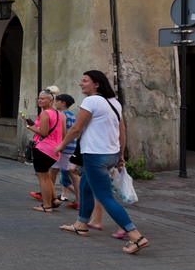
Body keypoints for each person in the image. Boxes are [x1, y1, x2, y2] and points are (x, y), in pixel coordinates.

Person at [55, 70, 150, 254]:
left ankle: (135, 236)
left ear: (96, 84)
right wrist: (121, 154)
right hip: (111, 154)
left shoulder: (91, 101)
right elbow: (121, 130)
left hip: (95, 155)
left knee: (105, 196)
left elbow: (76, 129)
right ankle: (81, 224)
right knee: (85, 187)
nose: (81, 84)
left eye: (85, 81)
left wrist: (61, 146)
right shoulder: (114, 103)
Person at [25, 88, 65, 213]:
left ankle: (47, 205)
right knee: (46, 176)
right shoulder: (59, 114)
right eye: (39, 98)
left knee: (42, 177)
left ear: (51, 100)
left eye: (43, 98)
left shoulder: (44, 113)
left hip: (43, 148)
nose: (39, 100)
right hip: (55, 149)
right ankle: (54, 199)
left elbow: (43, 132)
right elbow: (63, 133)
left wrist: (29, 126)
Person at [50, 93, 79, 208]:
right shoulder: (72, 115)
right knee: (73, 173)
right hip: (72, 147)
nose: (56, 103)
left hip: (63, 147)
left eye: (57, 101)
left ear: (63, 103)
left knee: (52, 171)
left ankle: (49, 195)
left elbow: (61, 132)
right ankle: (79, 200)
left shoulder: (61, 115)